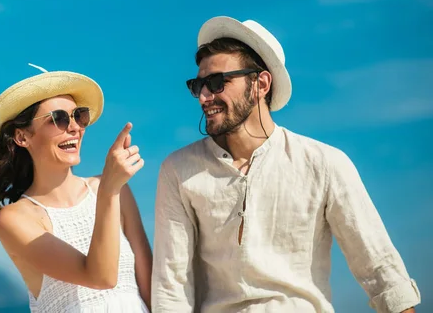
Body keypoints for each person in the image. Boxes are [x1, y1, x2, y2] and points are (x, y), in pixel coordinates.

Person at [151, 16, 421, 313]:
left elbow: (381, 271)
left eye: (216, 82)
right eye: (198, 85)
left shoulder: (324, 163)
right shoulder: (178, 170)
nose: (204, 96)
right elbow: (171, 289)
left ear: (260, 83)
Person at [0, 66, 152, 312]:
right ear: (22, 137)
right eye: (59, 119)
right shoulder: (14, 219)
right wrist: (108, 190)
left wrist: (109, 188)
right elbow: (100, 278)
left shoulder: (116, 190)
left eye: (79, 116)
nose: (75, 127)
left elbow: (152, 288)